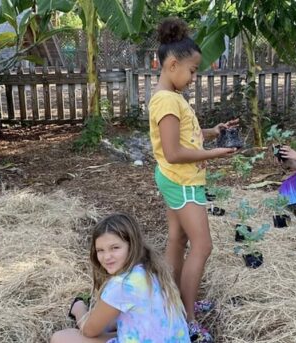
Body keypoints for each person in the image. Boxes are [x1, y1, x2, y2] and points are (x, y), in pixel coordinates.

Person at [148, 18, 238, 342]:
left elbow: (183, 139)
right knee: (203, 245)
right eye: (193, 70)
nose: (194, 77)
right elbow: (173, 151)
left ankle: (174, 302)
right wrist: (217, 154)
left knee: (178, 240)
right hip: (183, 181)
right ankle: (187, 317)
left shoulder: (165, 97)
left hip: (173, 178)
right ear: (173, 65)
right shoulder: (169, 101)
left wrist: (214, 132)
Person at [51, 213, 190, 343]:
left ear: (132, 246)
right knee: (108, 324)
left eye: (115, 248)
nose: (106, 257)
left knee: (60, 337)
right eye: (100, 250)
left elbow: (89, 330)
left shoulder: (121, 285)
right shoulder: (151, 269)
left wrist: (79, 309)